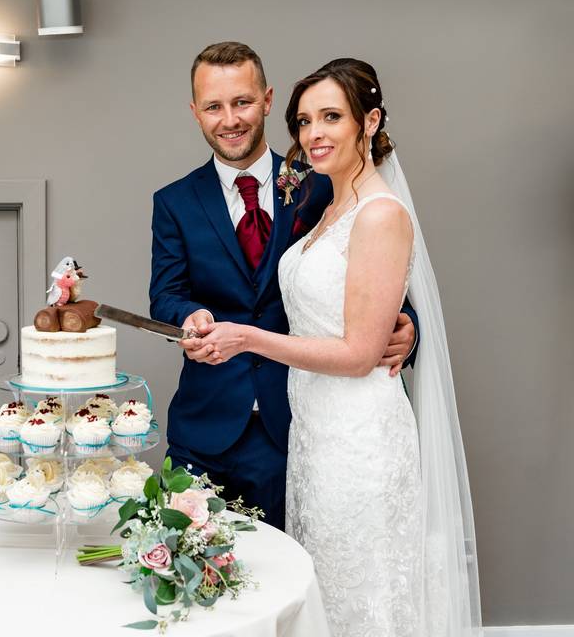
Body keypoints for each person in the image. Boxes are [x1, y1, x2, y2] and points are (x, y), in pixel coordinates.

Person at [196, 58, 481, 637]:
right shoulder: (323, 208)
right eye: (304, 121)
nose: (313, 134)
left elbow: (357, 353)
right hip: (314, 436)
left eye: (331, 117)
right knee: (324, 588)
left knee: (365, 593)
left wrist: (247, 337)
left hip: (362, 441)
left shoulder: (379, 214)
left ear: (369, 121)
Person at [149, 42, 418, 528]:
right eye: (214, 106)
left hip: (293, 426)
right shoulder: (173, 202)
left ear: (268, 100)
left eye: (243, 102)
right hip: (204, 427)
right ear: (196, 113)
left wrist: (408, 328)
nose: (229, 119)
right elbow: (166, 293)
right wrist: (185, 316)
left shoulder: (320, 181)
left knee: (286, 581)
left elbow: (370, 267)